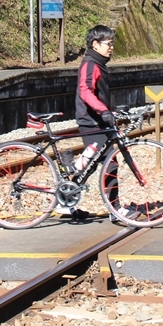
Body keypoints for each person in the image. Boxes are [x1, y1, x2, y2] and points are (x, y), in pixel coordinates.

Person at [56, 25, 117, 219]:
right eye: (108, 43)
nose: (111, 47)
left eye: (112, 43)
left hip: (98, 120)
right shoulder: (90, 64)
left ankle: (65, 201)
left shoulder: (98, 63)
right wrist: (103, 111)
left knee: (91, 165)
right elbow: (85, 90)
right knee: (110, 163)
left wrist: (111, 111)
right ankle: (116, 209)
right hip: (92, 122)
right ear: (95, 44)